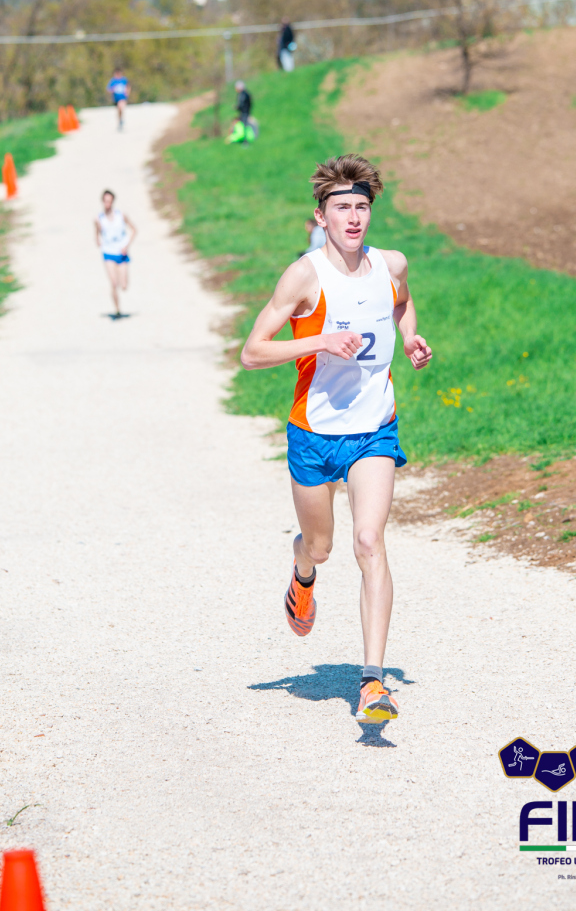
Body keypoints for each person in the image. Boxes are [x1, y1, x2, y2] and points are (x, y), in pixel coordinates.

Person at [241, 154, 432, 724]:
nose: (353, 217)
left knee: (369, 541)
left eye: (362, 207)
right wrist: (319, 340)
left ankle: (372, 683)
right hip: (315, 432)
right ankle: (302, 572)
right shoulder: (304, 276)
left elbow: (401, 301)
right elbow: (252, 352)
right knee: (321, 546)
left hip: (373, 429)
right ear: (321, 216)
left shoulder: (391, 264)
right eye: (342, 207)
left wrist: (410, 336)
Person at [94, 189, 137, 319]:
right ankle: (117, 309)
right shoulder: (99, 219)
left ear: (113, 202)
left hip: (121, 253)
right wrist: (98, 240)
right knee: (113, 283)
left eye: (109, 201)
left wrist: (126, 245)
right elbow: (97, 234)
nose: (107, 203)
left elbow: (134, 230)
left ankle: (122, 289)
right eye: (105, 201)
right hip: (108, 252)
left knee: (123, 286)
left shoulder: (121, 215)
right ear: (102, 201)